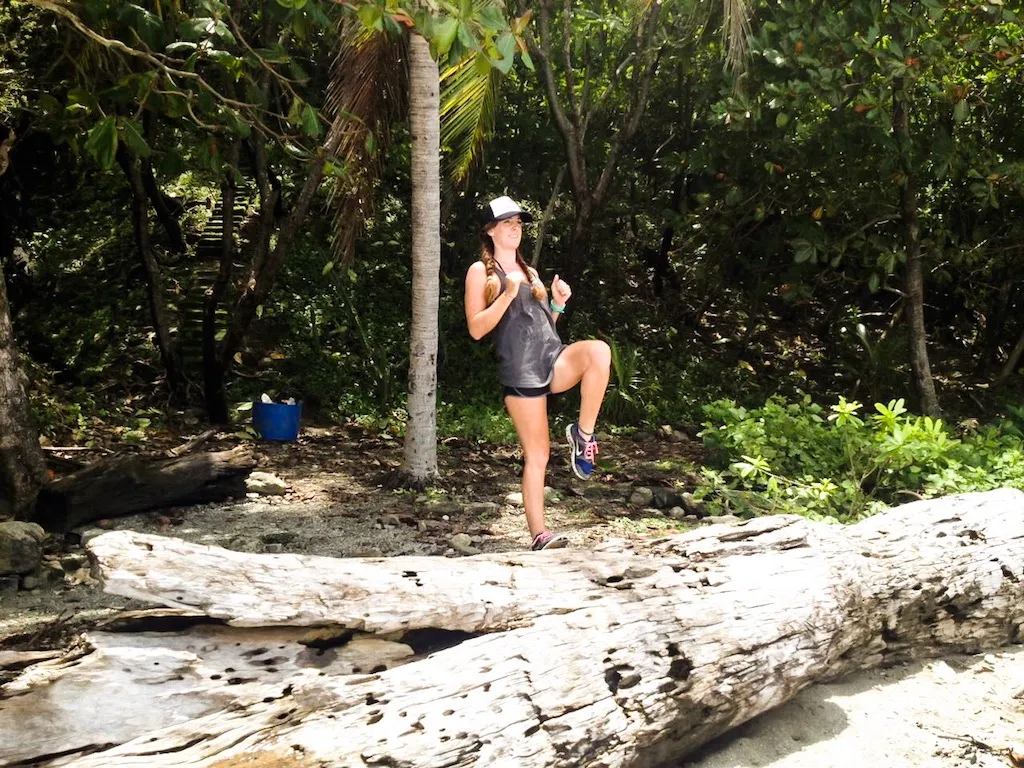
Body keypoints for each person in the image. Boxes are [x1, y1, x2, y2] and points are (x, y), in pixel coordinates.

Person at [464, 195, 611, 551]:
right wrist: (506, 294)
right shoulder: (481, 272)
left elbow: (543, 326)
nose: (516, 228)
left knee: (598, 351)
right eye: (508, 223)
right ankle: (539, 534)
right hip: (521, 374)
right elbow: (476, 329)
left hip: (552, 357)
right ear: (491, 230)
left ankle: (583, 435)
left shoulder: (530, 272)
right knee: (538, 455)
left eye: (518, 223)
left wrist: (558, 302)